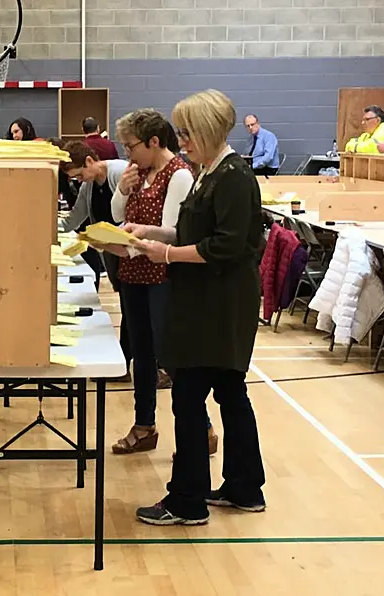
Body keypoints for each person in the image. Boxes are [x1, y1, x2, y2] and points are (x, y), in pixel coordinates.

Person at [128, 89, 266, 525]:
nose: (181, 140)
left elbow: (224, 245)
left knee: (188, 397)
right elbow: (190, 231)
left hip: (219, 305)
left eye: (187, 133)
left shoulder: (234, 177)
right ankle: (245, 487)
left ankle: (187, 499)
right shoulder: (209, 172)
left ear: (207, 130)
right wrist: (151, 234)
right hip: (209, 300)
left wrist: (166, 256)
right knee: (229, 392)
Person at [101, 109, 218, 456]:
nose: (127, 154)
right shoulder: (141, 172)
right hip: (134, 272)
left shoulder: (178, 175)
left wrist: (137, 235)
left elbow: (174, 232)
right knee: (142, 354)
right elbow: (117, 216)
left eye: (131, 146)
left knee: (170, 356)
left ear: (154, 142)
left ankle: (203, 426)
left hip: (162, 276)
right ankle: (144, 424)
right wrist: (122, 190)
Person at [59, 141, 131, 379]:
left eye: (79, 175)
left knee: (136, 311)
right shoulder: (88, 187)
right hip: (110, 251)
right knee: (128, 309)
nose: (80, 180)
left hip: (131, 251)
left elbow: (134, 214)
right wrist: (48, 227)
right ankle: (124, 362)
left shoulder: (119, 172)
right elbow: (75, 217)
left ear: (90, 161)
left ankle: (150, 366)